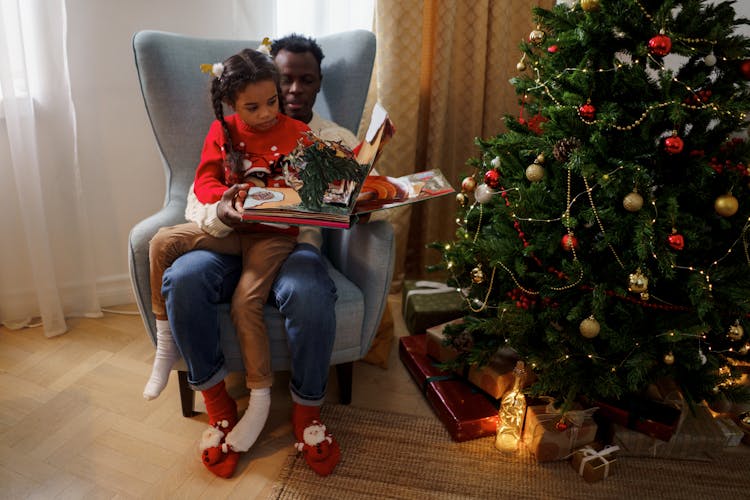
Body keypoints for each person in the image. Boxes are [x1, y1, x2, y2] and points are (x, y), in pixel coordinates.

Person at [160, 34, 357, 479]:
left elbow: (360, 192)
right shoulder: (227, 132)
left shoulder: (328, 138)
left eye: (305, 81)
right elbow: (199, 193)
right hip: (227, 238)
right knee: (183, 279)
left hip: (293, 245)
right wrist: (223, 211)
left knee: (308, 291)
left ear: (320, 83)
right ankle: (217, 405)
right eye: (284, 80)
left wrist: (356, 198)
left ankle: (306, 411)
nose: (291, 93)